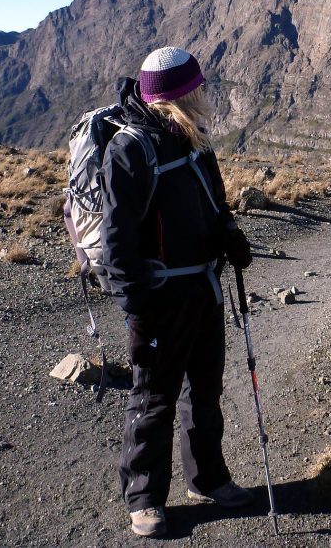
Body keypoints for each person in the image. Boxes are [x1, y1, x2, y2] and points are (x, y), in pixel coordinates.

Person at [100, 46, 253, 538]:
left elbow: (215, 202)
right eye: (196, 88)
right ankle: (144, 497)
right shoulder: (130, 149)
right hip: (160, 297)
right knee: (153, 397)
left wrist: (229, 237)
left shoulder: (194, 139)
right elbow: (116, 239)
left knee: (204, 391)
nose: (203, 95)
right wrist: (136, 306)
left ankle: (208, 478)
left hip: (203, 288)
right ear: (179, 94)